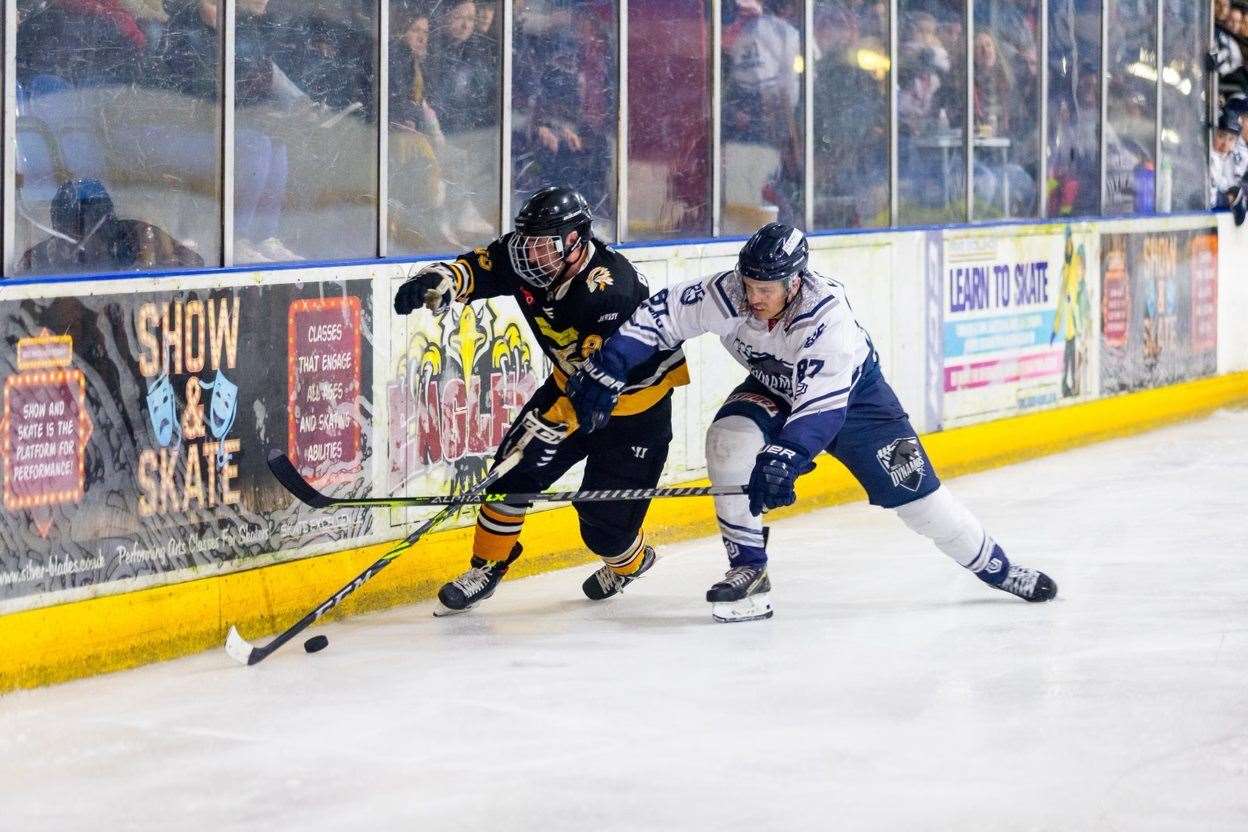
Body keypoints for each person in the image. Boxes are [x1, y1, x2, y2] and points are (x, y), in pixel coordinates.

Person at [568, 223, 1058, 623]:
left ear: (795, 283)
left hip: (856, 401)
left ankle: (998, 568)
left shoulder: (829, 322)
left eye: (765, 289)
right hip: (774, 388)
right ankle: (749, 571)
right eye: (748, 284)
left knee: (921, 502)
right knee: (727, 445)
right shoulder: (730, 293)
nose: (752, 297)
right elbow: (661, 315)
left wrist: (788, 456)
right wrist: (611, 364)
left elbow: (822, 408)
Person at [392, 186, 689, 614]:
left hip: (634, 412)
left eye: (542, 247)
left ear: (576, 240)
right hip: (570, 386)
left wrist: (557, 419)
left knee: (604, 530)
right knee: (508, 476)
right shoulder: (526, 258)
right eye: (527, 245)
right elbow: (481, 267)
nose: (530, 257)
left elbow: (604, 380)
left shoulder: (611, 291)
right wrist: (441, 279)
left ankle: (632, 562)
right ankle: (487, 567)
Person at [17, 177, 203, 274]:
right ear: (59, 228)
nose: (95, 241)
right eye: (78, 230)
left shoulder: (135, 235)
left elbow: (194, 263)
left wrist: (160, 264)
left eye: (100, 227)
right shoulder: (39, 259)